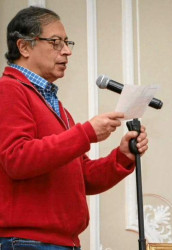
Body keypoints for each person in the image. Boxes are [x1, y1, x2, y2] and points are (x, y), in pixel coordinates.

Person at [0, 6, 149, 249]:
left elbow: (84, 179)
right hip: (29, 242)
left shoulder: (55, 106)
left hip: (60, 242)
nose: (67, 51)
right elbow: (17, 159)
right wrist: (86, 133)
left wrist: (122, 157)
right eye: (56, 42)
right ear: (24, 47)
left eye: (67, 42)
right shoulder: (9, 90)